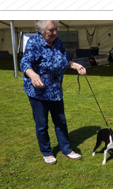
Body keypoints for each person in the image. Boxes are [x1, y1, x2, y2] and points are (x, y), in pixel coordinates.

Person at [20, 20, 86, 164]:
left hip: (55, 90)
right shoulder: (34, 43)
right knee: (42, 124)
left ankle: (67, 149)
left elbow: (63, 59)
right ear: (41, 30)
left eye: (56, 29)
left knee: (60, 121)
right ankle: (47, 152)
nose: (55, 33)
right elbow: (25, 63)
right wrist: (32, 75)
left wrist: (74, 65)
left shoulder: (58, 42)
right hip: (38, 91)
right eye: (51, 30)